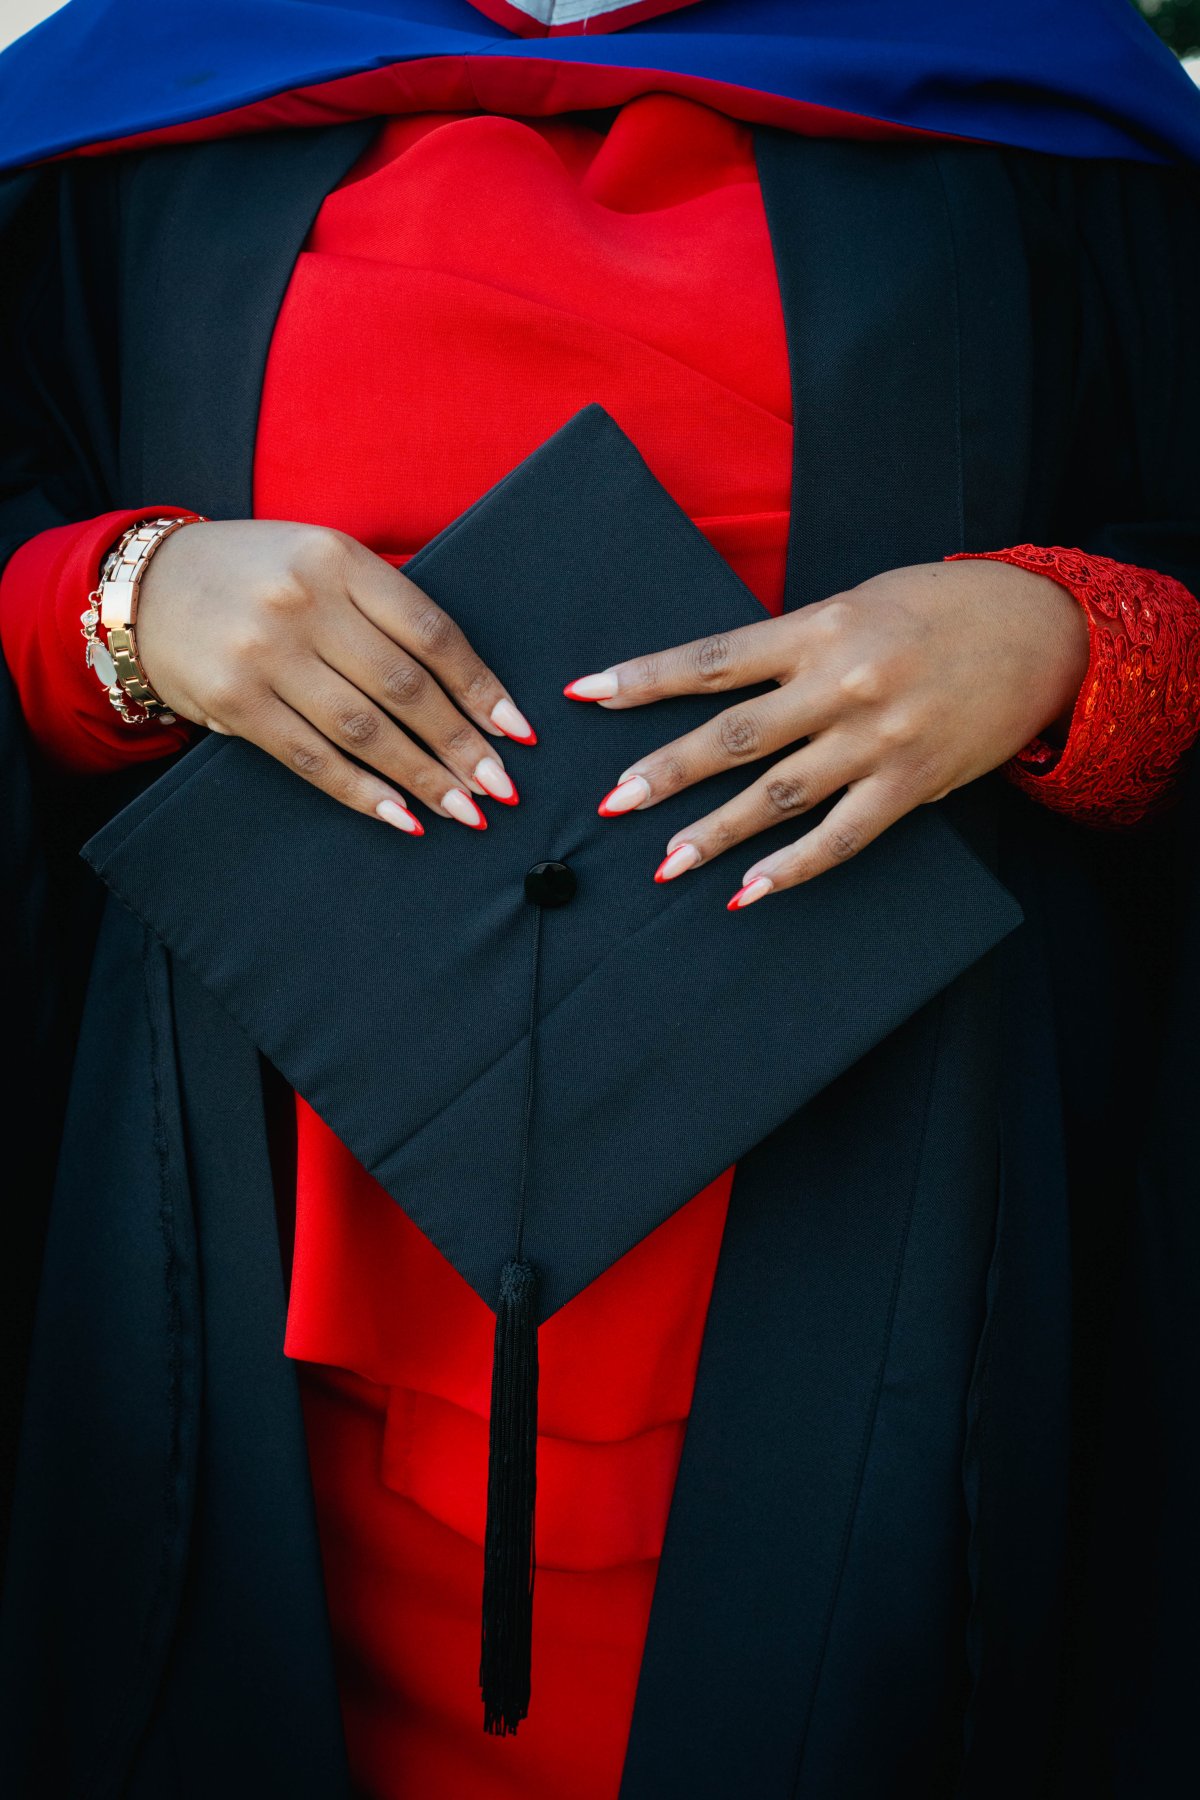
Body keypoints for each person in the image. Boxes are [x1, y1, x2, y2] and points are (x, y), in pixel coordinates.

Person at [1, 4, 1199, 1796]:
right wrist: (116, 602)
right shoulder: (143, 99)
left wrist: (1059, 649)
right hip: (255, 1209)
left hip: (882, 1211)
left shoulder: (1037, 95)